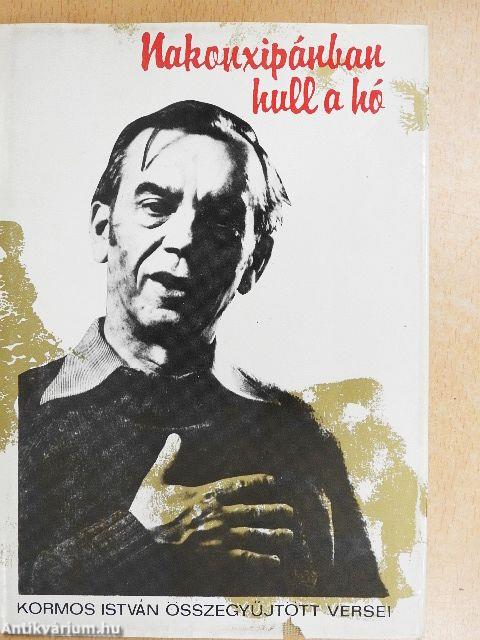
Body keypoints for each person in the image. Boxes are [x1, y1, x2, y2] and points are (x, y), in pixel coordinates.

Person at [18, 100, 386, 597]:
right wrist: (137, 541)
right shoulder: (17, 415)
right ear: (102, 230)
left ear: (255, 262)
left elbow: (362, 620)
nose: (184, 239)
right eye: (155, 207)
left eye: (220, 222)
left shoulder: (300, 439)